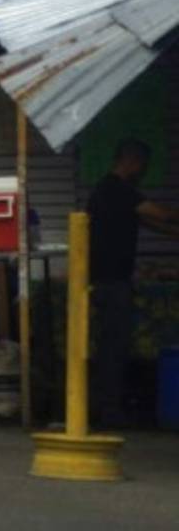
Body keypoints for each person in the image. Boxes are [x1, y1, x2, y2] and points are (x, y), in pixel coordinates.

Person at [87, 138, 179, 427]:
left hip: (108, 280)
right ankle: (109, 411)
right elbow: (161, 214)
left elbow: (153, 224)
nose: (143, 171)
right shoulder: (119, 190)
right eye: (142, 165)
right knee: (114, 347)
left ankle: (105, 407)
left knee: (110, 345)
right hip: (112, 282)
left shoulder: (107, 191)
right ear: (132, 161)